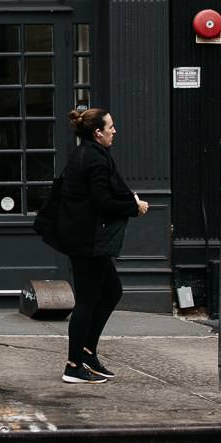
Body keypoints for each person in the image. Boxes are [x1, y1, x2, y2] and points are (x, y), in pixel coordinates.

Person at [57, 107, 146, 384]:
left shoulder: (89, 153)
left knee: (111, 291)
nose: (114, 131)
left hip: (86, 238)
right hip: (88, 241)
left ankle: (86, 351)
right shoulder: (93, 159)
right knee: (86, 301)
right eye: (111, 127)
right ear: (98, 132)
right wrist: (134, 206)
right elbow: (102, 202)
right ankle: (73, 365)